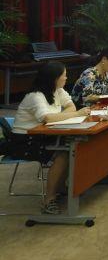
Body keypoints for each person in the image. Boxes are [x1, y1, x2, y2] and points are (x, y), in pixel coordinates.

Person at [11, 62, 91, 214]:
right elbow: (47, 118)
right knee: (64, 153)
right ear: (54, 78)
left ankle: (60, 188)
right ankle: (49, 199)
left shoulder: (58, 90)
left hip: (45, 135)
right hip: (25, 141)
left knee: (74, 148)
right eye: (64, 75)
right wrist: (75, 115)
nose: (66, 78)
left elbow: (71, 106)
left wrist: (61, 116)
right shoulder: (35, 95)